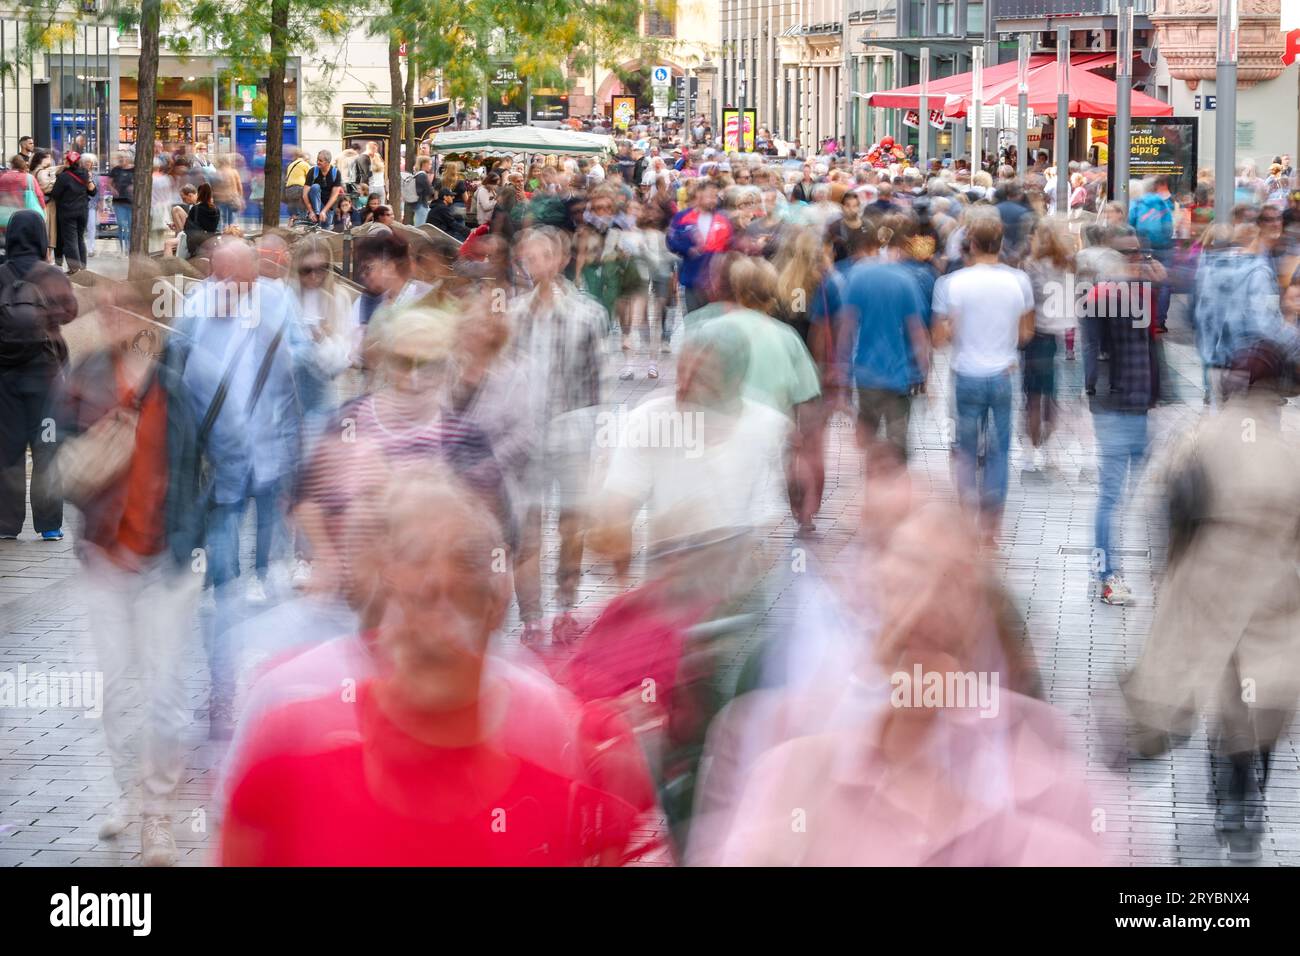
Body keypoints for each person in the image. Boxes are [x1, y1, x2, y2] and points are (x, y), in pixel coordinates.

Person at [1121, 341, 1300, 862]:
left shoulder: (1200, 437)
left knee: (1224, 695)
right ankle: (1248, 798)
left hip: (1207, 590)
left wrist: (1166, 572)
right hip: (1273, 594)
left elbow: (1166, 506)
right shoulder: (1288, 447)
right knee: (1261, 700)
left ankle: (1226, 798)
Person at [52, 283, 207, 866]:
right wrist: (89, 446)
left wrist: (198, 534)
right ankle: (129, 792)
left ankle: (158, 813)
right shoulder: (85, 375)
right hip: (105, 553)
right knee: (117, 687)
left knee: (165, 690)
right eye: (106, 307)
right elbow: (58, 452)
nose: (113, 318)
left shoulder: (180, 374)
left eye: (127, 307)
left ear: (150, 313)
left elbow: (206, 456)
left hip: (168, 554)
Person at [508, 227, 607, 646]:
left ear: (561, 259)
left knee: (572, 527)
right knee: (526, 531)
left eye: (542, 257)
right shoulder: (512, 315)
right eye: (527, 259)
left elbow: (599, 383)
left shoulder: (588, 314)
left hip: (571, 437)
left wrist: (599, 441)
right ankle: (531, 618)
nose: (534, 267)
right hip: (524, 439)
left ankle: (566, 607)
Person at [932, 214, 1035, 544]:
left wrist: (956, 329)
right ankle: (992, 526)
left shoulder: (952, 283)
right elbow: (1025, 335)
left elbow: (939, 338)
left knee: (965, 449)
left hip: (966, 374)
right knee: (999, 451)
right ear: (1001, 243)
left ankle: (965, 518)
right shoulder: (1019, 281)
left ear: (971, 244)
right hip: (1003, 373)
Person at [1084, 227, 1161, 605]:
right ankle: (1106, 574)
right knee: (1112, 495)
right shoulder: (1104, 295)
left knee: (1135, 495)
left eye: (1141, 254)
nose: (1139, 261)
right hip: (1116, 407)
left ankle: (1110, 569)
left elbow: (1150, 342)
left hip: (1139, 403)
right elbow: (1095, 348)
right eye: (1131, 255)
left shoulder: (1137, 292)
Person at [0, 211, 78, 540]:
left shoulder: (0, 272)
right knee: (47, 451)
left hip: (4, 378)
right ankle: (49, 526)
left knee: (7, 452)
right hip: (46, 376)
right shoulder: (52, 273)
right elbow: (70, 311)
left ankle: (6, 525)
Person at [667, 179, 732, 313]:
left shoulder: (723, 220)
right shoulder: (682, 217)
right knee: (692, 323)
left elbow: (730, 247)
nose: (714, 200)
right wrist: (688, 249)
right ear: (698, 195)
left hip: (716, 285)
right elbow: (671, 241)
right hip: (692, 281)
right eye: (710, 196)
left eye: (716, 196)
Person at [50, 150, 96, 273]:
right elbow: (93, 192)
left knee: (70, 240)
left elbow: (55, 193)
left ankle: (74, 269)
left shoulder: (64, 177)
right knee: (80, 238)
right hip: (83, 211)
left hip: (67, 212)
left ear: (68, 162)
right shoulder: (85, 174)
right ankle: (83, 266)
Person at [305, 150, 344, 228]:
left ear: (327, 162)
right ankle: (316, 213)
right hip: (314, 206)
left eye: (320, 161)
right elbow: (305, 194)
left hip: (327, 207)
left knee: (325, 232)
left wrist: (324, 211)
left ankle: (320, 214)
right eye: (317, 160)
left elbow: (334, 196)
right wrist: (311, 211)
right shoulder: (312, 171)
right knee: (315, 187)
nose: (318, 162)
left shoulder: (336, 173)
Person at [183, 182, 221, 259]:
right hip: (211, 242)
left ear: (199, 194)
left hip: (197, 244)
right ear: (210, 195)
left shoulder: (195, 209)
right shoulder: (217, 210)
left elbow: (186, 227)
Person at [108, 151, 135, 253]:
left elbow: (140, 181)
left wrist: (133, 187)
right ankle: (121, 248)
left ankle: (129, 247)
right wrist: (112, 189)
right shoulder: (116, 170)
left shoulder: (134, 169)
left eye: (124, 158)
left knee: (130, 225)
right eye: (120, 158)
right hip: (119, 201)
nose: (122, 160)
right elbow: (109, 183)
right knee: (121, 224)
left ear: (128, 159)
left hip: (131, 202)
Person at [283, 148, 311, 221]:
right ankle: (302, 222)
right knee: (303, 208)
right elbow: (311, 177)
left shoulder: (290, 165)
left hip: (288, 190)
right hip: (299, 189)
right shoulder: (304, 164)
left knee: (294, 212)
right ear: (303, 157)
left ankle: (293, 222)